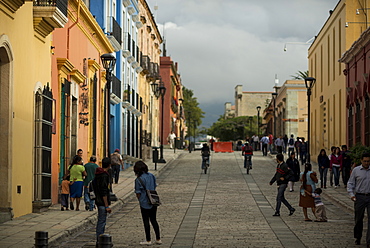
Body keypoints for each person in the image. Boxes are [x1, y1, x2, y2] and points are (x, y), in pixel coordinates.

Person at [134, 161, 162, 246]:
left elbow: (138, 192)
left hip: (144, 201)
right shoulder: (151, 176)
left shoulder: (138, 179)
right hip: (153, 200)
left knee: (146, 220)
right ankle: (158, 238)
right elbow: (154, 186)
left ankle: (148, 240)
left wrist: (140, 200)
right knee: (154, 220)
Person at [347, 153, 370, 247]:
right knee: (358, 219)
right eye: (365, 161)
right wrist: (352, 195)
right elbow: (350, 183)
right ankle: (358, 237)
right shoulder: (356, 170)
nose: (366, 163)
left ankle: (369, 241)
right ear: (361, 161)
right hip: (359, 197)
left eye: (368, 161)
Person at [95, 157, 112, 243]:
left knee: (101, 221)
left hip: (97, 200)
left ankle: (99, 239)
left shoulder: (97, 174)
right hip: (102, 202)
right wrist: (107, 206)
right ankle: (100, 241)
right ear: (109, 165)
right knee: (102, 222)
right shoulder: (104, 175)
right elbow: (104, 192)